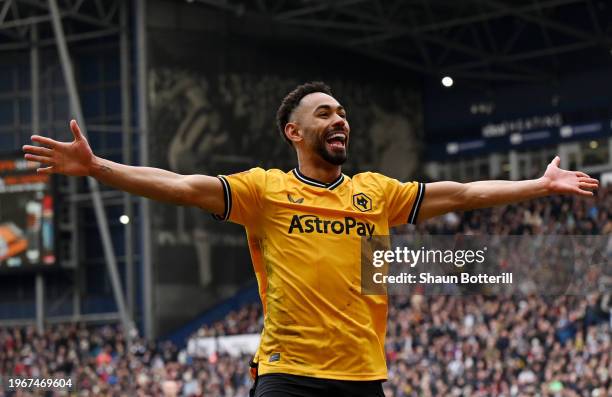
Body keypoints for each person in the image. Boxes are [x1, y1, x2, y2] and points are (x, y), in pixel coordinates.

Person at [22, 82, 599, 397]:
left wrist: (540, 183)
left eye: (343, 112)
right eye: (325, 113)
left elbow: (465, 193)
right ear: (294, 131)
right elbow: (179, 185)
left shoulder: (377, 193)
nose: (340, 119)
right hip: (288, 378)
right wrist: (99, 169)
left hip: (363, 379)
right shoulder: (263, 190)